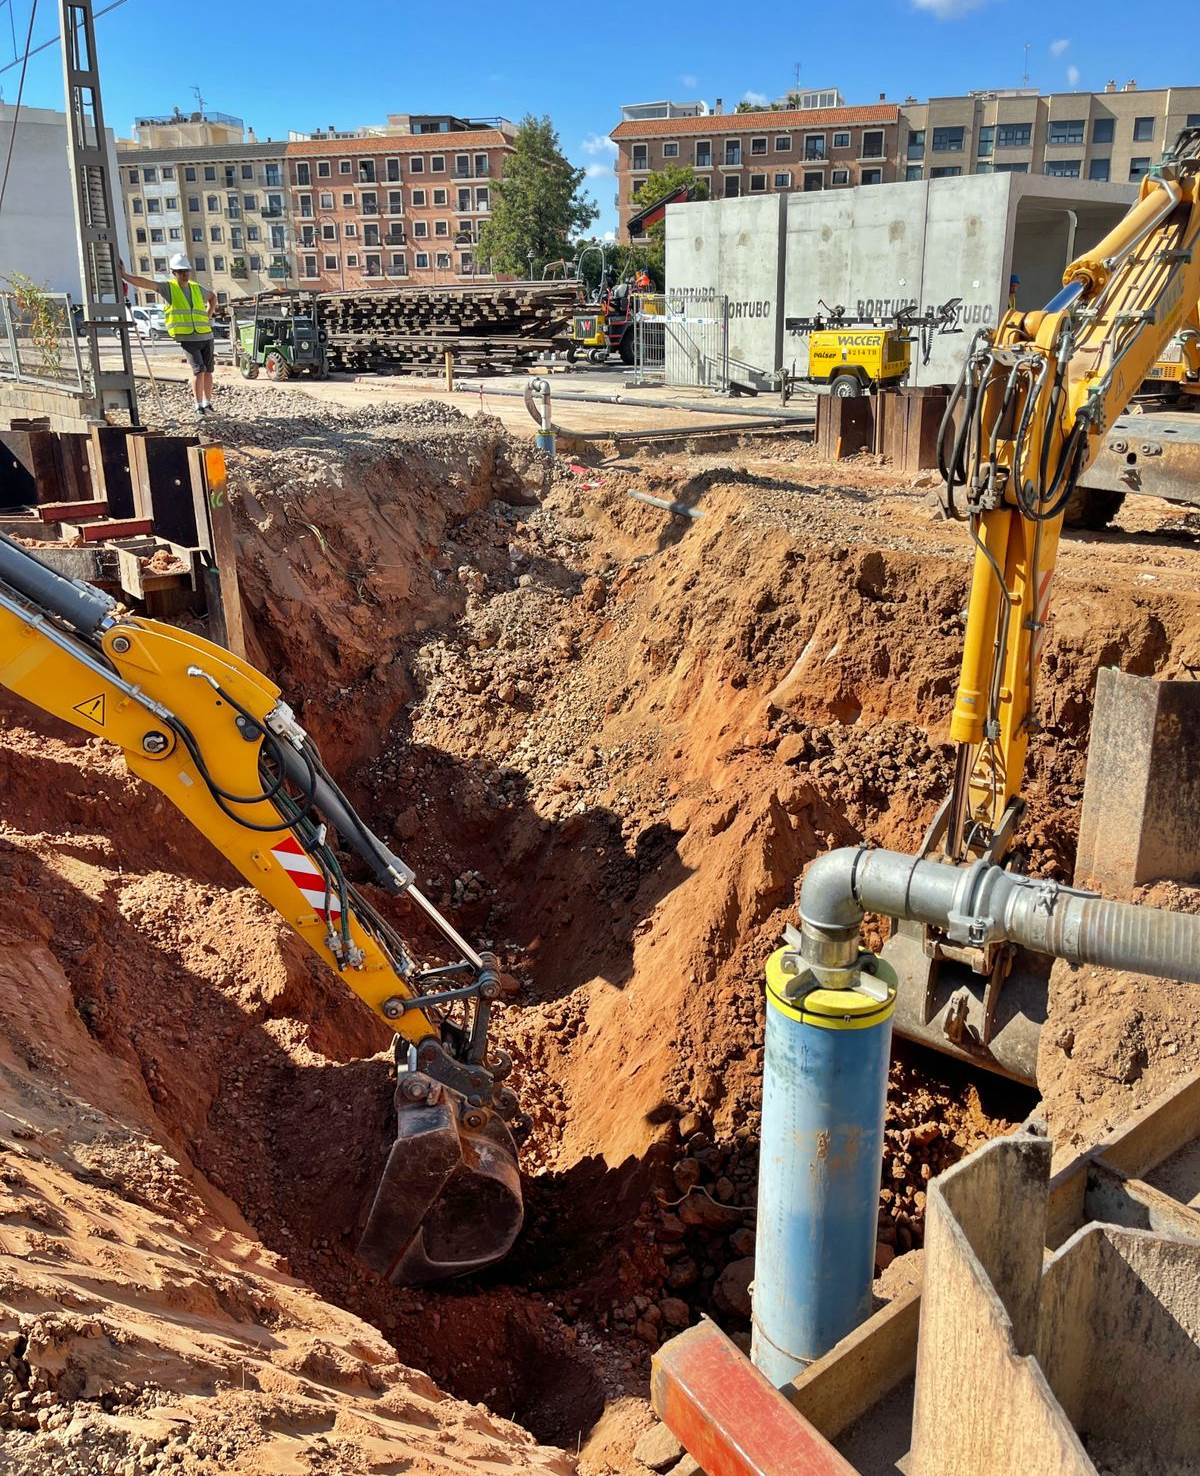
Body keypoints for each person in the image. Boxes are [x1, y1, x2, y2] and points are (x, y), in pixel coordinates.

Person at [120, 254, 218, 418]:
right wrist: (125, 276)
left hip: (205, 335)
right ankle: (198, 405)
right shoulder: (169, 288)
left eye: (186, 271)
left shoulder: (196, 288)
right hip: (187, 338)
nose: (184, 274)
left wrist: (208, 315)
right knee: (198, 370)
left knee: (208, 371)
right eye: (180, 272)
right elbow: (146, 283)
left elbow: (212, 297)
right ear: (174, 273)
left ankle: (207, 403)